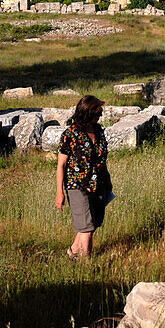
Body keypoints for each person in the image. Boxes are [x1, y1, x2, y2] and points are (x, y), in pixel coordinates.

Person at [55, 94, 111, 259]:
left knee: (91, 226)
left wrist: (108, 181)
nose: (100, 116)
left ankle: (72, 253)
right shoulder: (70, 135)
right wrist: (60, 193)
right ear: (87, 113)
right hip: (77, 186)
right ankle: (87, 266)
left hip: (98, 184)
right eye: (97, 113)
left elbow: (102, 160)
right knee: (86, 228)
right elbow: (61, 165)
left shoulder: (99, 131)